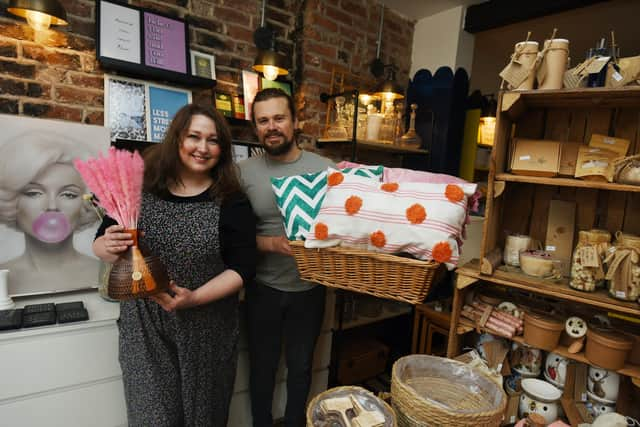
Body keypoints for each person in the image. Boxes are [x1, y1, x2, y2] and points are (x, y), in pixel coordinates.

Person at [93, 104, 257, 427]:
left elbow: (243, 268)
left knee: (203, 417)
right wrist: (106, 246)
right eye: (193, 136)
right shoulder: (139, 188)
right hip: (145, 330)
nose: (202, 147)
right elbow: (101, 243)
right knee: (153, 417)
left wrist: (194, 298)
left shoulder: (232, 201)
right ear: (177, 139)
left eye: (212, 140)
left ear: (222, 150)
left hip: (208, 326)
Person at [238, 88, 335, 427]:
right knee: (262, 369)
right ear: (255, 127)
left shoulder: (326, 169)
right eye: (263, 121)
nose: (271, 127)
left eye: (279, 118)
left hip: (310, 289)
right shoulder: (243, 172)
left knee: (301, 368)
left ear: (295, 122)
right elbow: (230, 235)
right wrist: (270, 244)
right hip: (262, 289)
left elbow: (344, 225)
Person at [0, 131, 101, 296]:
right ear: (12, 200)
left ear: (85, 204)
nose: (52, 206)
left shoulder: (102, 272)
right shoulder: (3, 278)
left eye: (68, 194)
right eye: (34, 193)